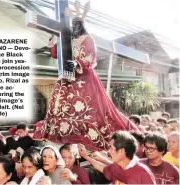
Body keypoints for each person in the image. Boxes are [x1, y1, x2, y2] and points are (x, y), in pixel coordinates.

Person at [33, 0, 138, 151]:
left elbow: (91, 57)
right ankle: (62, 131)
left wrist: (78, 64)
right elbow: (57, 54)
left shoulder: (88, 39)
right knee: (60, 103)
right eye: (73, 25)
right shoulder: (67, 39)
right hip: (67, 77)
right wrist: (54, 42)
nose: (74, 28)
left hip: (84, 77)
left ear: (82, 26)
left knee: (90, 109)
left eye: (77, 25)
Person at [78, 131, 156, 184]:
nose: (108, 151)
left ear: (121, 151)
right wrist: (86, 156)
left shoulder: (143, 173)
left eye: (111, 148)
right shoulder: (117, 166)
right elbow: (103, 168)